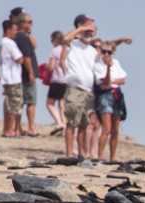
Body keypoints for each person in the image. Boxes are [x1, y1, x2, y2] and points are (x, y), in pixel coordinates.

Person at [62, 14, 99, 159]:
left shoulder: (93, 50)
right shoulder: (74, 44)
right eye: (87, 28)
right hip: (75, 88)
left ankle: (82, 153)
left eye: (92, 29)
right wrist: (81, 29)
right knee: (72, 122)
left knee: (84, 124)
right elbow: (65, 39)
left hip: (89, 91)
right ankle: (69, 153)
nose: (89, 31)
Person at [93, 41, 128, 162]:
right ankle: (100, 156)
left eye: (109, 52)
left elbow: (123, 80)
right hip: (105, 96)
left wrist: (112, 82)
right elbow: (105, 81)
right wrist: (108, 68)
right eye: (104, 51)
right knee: (106, 128)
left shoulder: (116, 63)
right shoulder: (98, 65)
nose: (107, 54)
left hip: (116, 95)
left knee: (115, 129)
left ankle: (112, 157)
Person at [14, 12, 39, 136]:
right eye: (29, 22)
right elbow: (27, 57)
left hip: (20, 75)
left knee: (22, 102)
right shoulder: (22, 38)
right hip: (25, 75)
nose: (32, 24)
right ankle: (31, 127)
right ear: (23, 23)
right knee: (30, 101)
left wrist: (29, 32)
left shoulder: (22, 36)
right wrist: (31, 73)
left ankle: (19, 127)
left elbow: (35, 45)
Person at [0, 20, 24, 138]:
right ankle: (9, 130)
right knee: (14, 105)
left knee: (8, 103)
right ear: (8, 30)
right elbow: (20, 59)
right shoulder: (9, 43)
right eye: (14, 30)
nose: (16, 32)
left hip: (7, 77)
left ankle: (6, 129)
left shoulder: (2, 43)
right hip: (13, 78)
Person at [44, 31, 66, 135]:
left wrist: (45, 68)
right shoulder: (67, 50)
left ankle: (59, 122)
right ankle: (65, 127)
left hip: (57, 79)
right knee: (62, 105)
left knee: (50, 103)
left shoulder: (55, 50)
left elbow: (51, 67)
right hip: (66, 80)